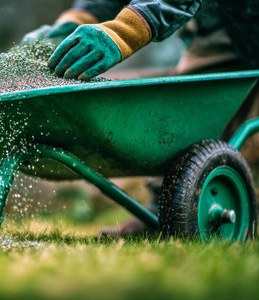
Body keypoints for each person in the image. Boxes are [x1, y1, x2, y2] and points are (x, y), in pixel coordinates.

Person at [23, 0, 259, 236]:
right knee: (185, 123)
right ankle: (166, 213)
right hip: (225, 26)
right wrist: (78, 18)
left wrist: (124, 31)